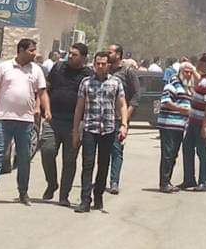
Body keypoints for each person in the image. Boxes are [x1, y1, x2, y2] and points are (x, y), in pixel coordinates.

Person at [0, 38, 51, 206]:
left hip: (25, 121)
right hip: (4, 119)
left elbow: (42, 92)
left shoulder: (36, 70)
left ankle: (23, 193)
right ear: (21, 50)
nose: (35, 54)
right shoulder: (4, 67)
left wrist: (47, 109)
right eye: (31, 50)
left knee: (24, 158)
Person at [72, 50, 128, 212]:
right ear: (94, 64)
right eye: (98, 63)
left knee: (103, 165)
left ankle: (98, 196)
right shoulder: (86, 83)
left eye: (103, 63)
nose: (100, 66)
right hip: (90, 128)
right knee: (87, 165)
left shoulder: (115, 82)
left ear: (109, 65)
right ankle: (85, 199)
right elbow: (79, 107)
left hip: (108, 130)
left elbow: (122, 104)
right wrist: (75, 130)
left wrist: (124, 124)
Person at [40, 42, 91, 206]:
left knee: (69, 161)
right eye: (70, 53)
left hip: (74, 124)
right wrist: (44, 108)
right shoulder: (58, 68)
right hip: (53, 119)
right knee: (47, 151)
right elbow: (46, 89)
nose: (70, 56)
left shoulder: (88, 75)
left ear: (83, 58)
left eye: (75, 55)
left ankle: (64, 195)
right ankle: (52, 183)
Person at [181, 53, 206, 192]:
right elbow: (198, 78)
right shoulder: (205, 77)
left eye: (198, 62)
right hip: (194, 121)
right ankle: (189, 179)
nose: (197, 64)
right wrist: (191, 68)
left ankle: (203, 182)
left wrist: (204, 126)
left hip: (201, 123)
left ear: (204, 64)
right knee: (187, 147)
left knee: (202, 151)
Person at [106, 42, 140, 194]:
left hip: (120, 118)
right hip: (104, 117)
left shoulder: (127, 72)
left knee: (116, 149)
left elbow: (136, 95)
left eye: (110, 52)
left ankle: (114, 182)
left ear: (118, 55)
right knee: (103, 150)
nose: (108, 54)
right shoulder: (105, 69)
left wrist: (126, 117)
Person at [157, 61, 195, 192]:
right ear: (180, 72)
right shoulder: (172, 84)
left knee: (173, 154)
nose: (188, 74)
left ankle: (167, 181)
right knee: (168, 154)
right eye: (186, 72)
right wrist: (181, 110)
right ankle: (164, 183)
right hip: (168, 125)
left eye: (190, 72)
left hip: (179, 126)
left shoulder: (187, 87)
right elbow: (165, 102)